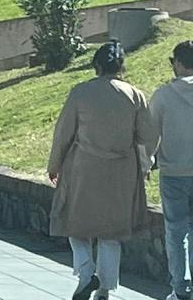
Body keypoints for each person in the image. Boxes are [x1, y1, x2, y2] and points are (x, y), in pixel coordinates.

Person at [48, 41, 156, 300]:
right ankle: (105, 289)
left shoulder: (80, 92)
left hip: (83, 168)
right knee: (112, 232)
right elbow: (148, 135)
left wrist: (55, 164)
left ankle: (86, 273)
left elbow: (63, 133)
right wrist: (145, 163)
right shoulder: (134, 94)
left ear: (96, 65)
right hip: (122, 172)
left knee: (75, 225)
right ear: (121, 66)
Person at [150, 41, 193, 300]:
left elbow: (150, 135)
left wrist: (148, 161)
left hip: (173, 173)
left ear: (178, 62)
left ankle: (181, 287)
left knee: (176, 232)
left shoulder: (163, 95)